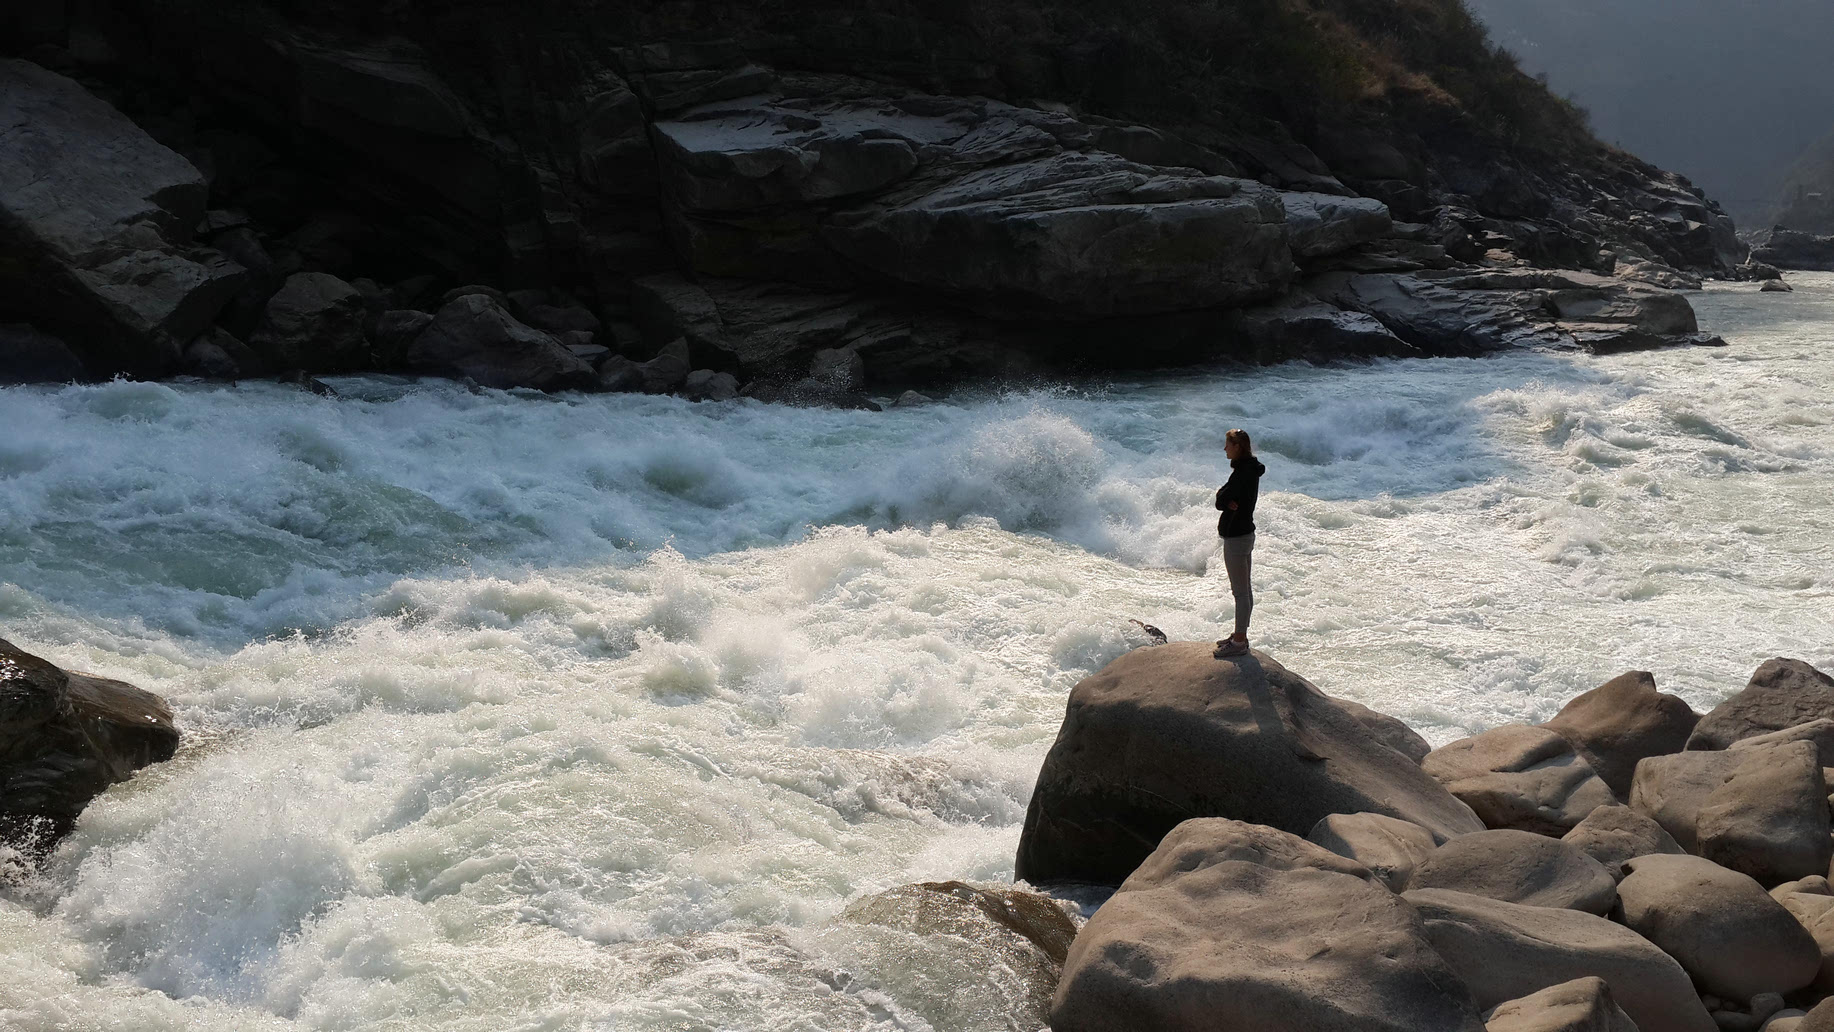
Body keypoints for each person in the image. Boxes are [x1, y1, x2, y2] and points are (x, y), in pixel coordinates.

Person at [1214, 429, 1265, 658]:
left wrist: (1225, 499)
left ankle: (1239, 641)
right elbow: (1225, 497)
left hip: (1237, 536)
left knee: (1240, 593)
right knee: (1245, 590)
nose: (1224, 448)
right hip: (1245, 534)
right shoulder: (1249, 470)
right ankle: (1239, 635)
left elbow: (1221, 498)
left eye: (1228, 444)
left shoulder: (1243, 472)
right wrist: (1225, 498)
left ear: (1237, 447)